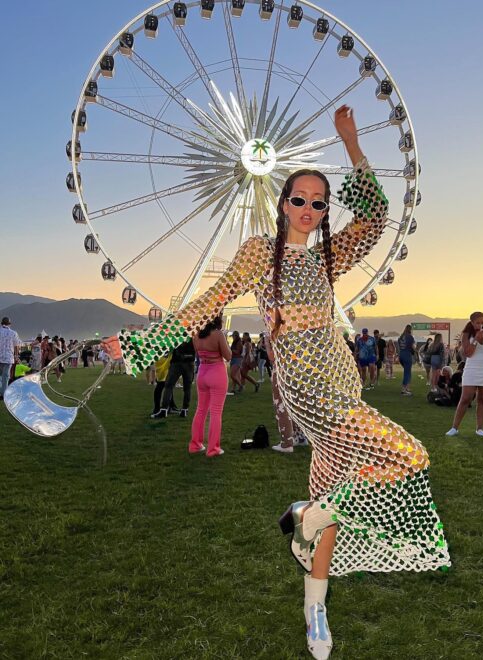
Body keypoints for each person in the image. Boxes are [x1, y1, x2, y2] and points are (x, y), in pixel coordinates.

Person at [104, 106, 449, 659]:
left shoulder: (330, 257)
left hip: (341, 378)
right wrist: (142, 343)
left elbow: (378, 217)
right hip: (309, 389)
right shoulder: (260, 254)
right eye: (299, 199)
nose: (309, 209)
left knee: (333, 499)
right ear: (281, 201)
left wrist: (353, 144)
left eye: (319, 202)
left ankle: (314, 603)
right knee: (410, 456)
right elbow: (206, 304)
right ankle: (306, 517)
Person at [446, 312, 483, 437]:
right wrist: (475, 340)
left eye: (482, 322)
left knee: (482, 399)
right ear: (472, 322)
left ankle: (479, 428)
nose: (480, 325)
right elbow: (468, 353)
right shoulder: (466, 334)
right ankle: (454, 428)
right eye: (477, 322)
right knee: (465, 398)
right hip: (471, 368)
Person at [189, 315, 231, 457]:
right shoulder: (218, 334)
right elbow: (228, 356)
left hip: (202, 372)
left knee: (200, 410)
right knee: (216, 412)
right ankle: (213, 449)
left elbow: (197, 353)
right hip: (217, 372)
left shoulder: (196, 335)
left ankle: (195, 445)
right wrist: (224, 339)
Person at [152, 339, 196, 418]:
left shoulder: (177, 331)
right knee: (187, 388)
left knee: (168, 386)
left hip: (177, 362)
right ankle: (184, 410)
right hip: (189, 362)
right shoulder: (192, 333)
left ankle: (164, 410)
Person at [0, 317, 21, 400]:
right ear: (9, 324)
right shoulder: (13, 333)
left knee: (1, 375)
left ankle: (1, 390)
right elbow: (16, 346)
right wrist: (16, 356)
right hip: (9, 357)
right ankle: (3, 393)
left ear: (1, 323)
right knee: (6, 376)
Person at [398, 324, 416, 395]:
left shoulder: (401, 337)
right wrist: (415, 351)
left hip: (401, 355)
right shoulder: (410, 337)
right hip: (407, 355)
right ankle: (404, 389)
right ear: (410, 330)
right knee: (407, 373)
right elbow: (413, 347)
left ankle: (407, 387)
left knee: (407, 371)